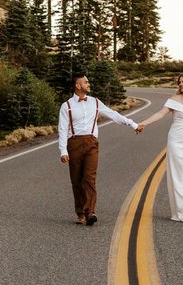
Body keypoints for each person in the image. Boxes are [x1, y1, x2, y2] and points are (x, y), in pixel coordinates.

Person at [58, 74, 141, 226]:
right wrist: (63, 150)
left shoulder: (95, 102)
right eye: (86, 82)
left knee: (89, 178)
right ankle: (80, 212)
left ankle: (90, 212)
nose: (88, 84)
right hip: (74, 143)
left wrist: (133, 124)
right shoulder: (67, 106)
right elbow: (62, 129)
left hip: (91, 143)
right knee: (76, 180)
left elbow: (113, 115)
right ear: (78, 85)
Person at [135, 72, 183, 222]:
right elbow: (160, 114)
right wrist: (143, 123)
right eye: (179, 82)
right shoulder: (173, 100)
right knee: (177, 175)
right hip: (176, 139)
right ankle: (180, 212)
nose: (181, 84)